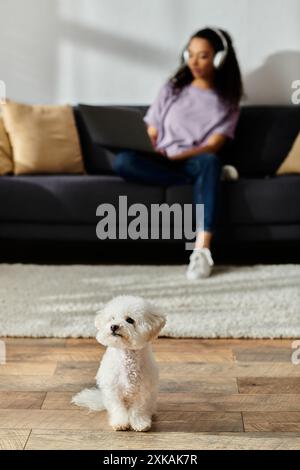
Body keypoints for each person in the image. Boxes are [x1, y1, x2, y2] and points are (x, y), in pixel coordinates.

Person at [113, 27, 244, 279]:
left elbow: (213, 145)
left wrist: (179, 157)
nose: (194, 61)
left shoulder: (227, 102)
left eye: (203, 55)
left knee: (209, 161)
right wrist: (147, 140)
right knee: (123, 161)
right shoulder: (172, 88)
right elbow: (152, 127)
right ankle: (210, 180)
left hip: (193, 160)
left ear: (218, 59)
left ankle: (201, 250)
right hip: (160, 159)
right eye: (190, 54)